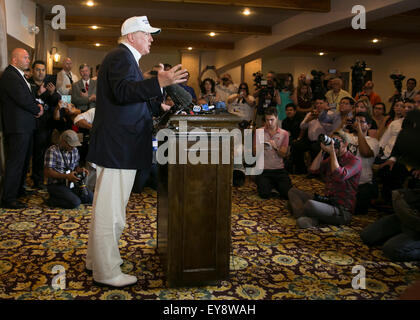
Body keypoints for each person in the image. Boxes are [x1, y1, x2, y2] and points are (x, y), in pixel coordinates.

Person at [85, 16, 187, 288]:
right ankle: (106, 271)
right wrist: (159, 83)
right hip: (120, 146)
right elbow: (121, 92)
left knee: (106, 208)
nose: (151, 38)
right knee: (112, 212)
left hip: (119, 145)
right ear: (132, 36)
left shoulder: (126, 59)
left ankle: (97, 261)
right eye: (147, 34)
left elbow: (129, 99)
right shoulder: (120, 57)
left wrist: (157, 107)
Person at [288, 131, 362, 229]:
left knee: (309, 204)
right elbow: (313, 170)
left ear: (345, 144)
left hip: (341, 210)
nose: (333, 144)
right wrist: (322, 151)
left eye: (336, 141)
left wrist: (332, 153)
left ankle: (306, 216)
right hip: (327, 201)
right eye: (332, 140)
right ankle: (310, 217)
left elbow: (339, 175)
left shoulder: (355, 161)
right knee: (293, 192)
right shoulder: (332, 158)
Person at [0, 48, 44, 209]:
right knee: (16, 163)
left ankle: (19, 190)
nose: (28, 60)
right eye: (25, 57)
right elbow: (22, 99)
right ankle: (8, 198)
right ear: (14, 59)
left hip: (24, 126)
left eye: (28, 57)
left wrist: (35, 106)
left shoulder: (18, 74)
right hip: (17, 127)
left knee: (24, 162)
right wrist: (37, 108)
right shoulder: (10, 75)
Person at [28, 60, 61, 189]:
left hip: (46, 125)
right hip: (32, 125)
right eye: (38, 70)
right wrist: (39, 94)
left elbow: (57, 100)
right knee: (33, 154)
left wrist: (51, 93)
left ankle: (41, 179)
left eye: (43, 70)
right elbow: (27, 101)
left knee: (44, 153)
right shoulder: (28, 84)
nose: (40, 73)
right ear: (32, 71)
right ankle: (32, 179)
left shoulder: (49, 84)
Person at [341, 112, 379, 215]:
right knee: (338, 206)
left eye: (361, 122)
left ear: (369, 125)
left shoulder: (373, 141)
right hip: (345, 182)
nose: (358, 124)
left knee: (357, 212)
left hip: (362, 185)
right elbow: (331, 139)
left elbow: (365, 153)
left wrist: (360, 133)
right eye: (356, 121)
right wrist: (342, 125)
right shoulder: (348, 136)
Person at [44, 130, 93, 208]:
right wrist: (66, 176)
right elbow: (47, 172)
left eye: (74, 145)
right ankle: (52, 200)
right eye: (71, 145)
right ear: (63, 142)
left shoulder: (75, 150)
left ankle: (68, 195)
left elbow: (76, 166)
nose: (73, 147)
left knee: (90, 198)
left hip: (71, 183)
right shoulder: (52, 151)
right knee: (75, 203)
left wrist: (80, 170)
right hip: (56, 184)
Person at [255, 107, 292, 199]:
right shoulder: (259, 131)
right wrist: (261, 147)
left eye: (272, 120)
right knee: (264, 194)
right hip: (263, 170)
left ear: (277, 118)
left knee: (287, 194)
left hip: (279, 170)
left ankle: (275, 185)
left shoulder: (284, 134)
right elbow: (254, 152)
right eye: (267, 120)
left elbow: (284, 154)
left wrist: (276, 148)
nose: (269, 123)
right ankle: (269, 185)